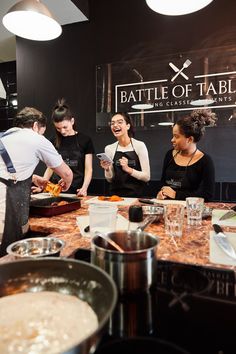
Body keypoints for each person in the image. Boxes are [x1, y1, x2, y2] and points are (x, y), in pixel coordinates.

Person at [0, 107, 73, 256]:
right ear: (35, 126)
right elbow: (66, 173)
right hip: (4, 207)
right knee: (6, 256)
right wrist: (66, 182)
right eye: (42, 132)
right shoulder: (36, 138)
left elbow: (6, 170)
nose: (42, 136)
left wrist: (33, 178)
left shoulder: (3, 137)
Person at [36, 98, 94, 196]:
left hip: (77, 190)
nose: (62, 131)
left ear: (72, 121)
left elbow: (88, 169)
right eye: (58, 128)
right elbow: (51, 167)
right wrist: (42, 185)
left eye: (65, 127)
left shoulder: (85, 140)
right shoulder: (53, 140)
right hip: (56, 190)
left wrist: (84, 188)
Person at [156, 109, 217, 201]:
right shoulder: (169, 155)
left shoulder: (205, 161)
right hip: (168, 208)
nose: (172, 140)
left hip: (191, 211)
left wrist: (176, 195)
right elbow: (163, 182)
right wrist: (162, 192)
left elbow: (207, 195)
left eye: (176, 136)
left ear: (190, 139)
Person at [100, 112, 150, 197]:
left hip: (136, 196)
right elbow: (109, 179)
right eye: (112, 123)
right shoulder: (109, 148)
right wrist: (107, 169)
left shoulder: (139, 145)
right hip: (115, 197)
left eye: (119, 122)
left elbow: (146, 177)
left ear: (128, 126)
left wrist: (128, 169)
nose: (115, 125)